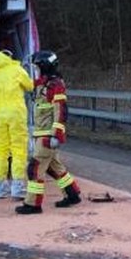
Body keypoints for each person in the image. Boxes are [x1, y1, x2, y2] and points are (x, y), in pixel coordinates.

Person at [15, 50, 82, 214]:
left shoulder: (55, 85)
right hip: (42, 134)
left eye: (38, 68)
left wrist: (56, 135)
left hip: (47, 136)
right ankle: (72, 194)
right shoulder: (43, 84)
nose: (36, 71)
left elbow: (61, 111)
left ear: (45, 68)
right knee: (54, 168)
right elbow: (33, 85)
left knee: (34, 168)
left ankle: (33, 204)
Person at [0, 50, 33, 199]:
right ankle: (17, 187)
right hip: (16, 114)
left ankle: (0, 187)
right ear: (9, 57)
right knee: (18, 149)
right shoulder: (17, 70)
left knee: (1, 150)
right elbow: (30, 86)